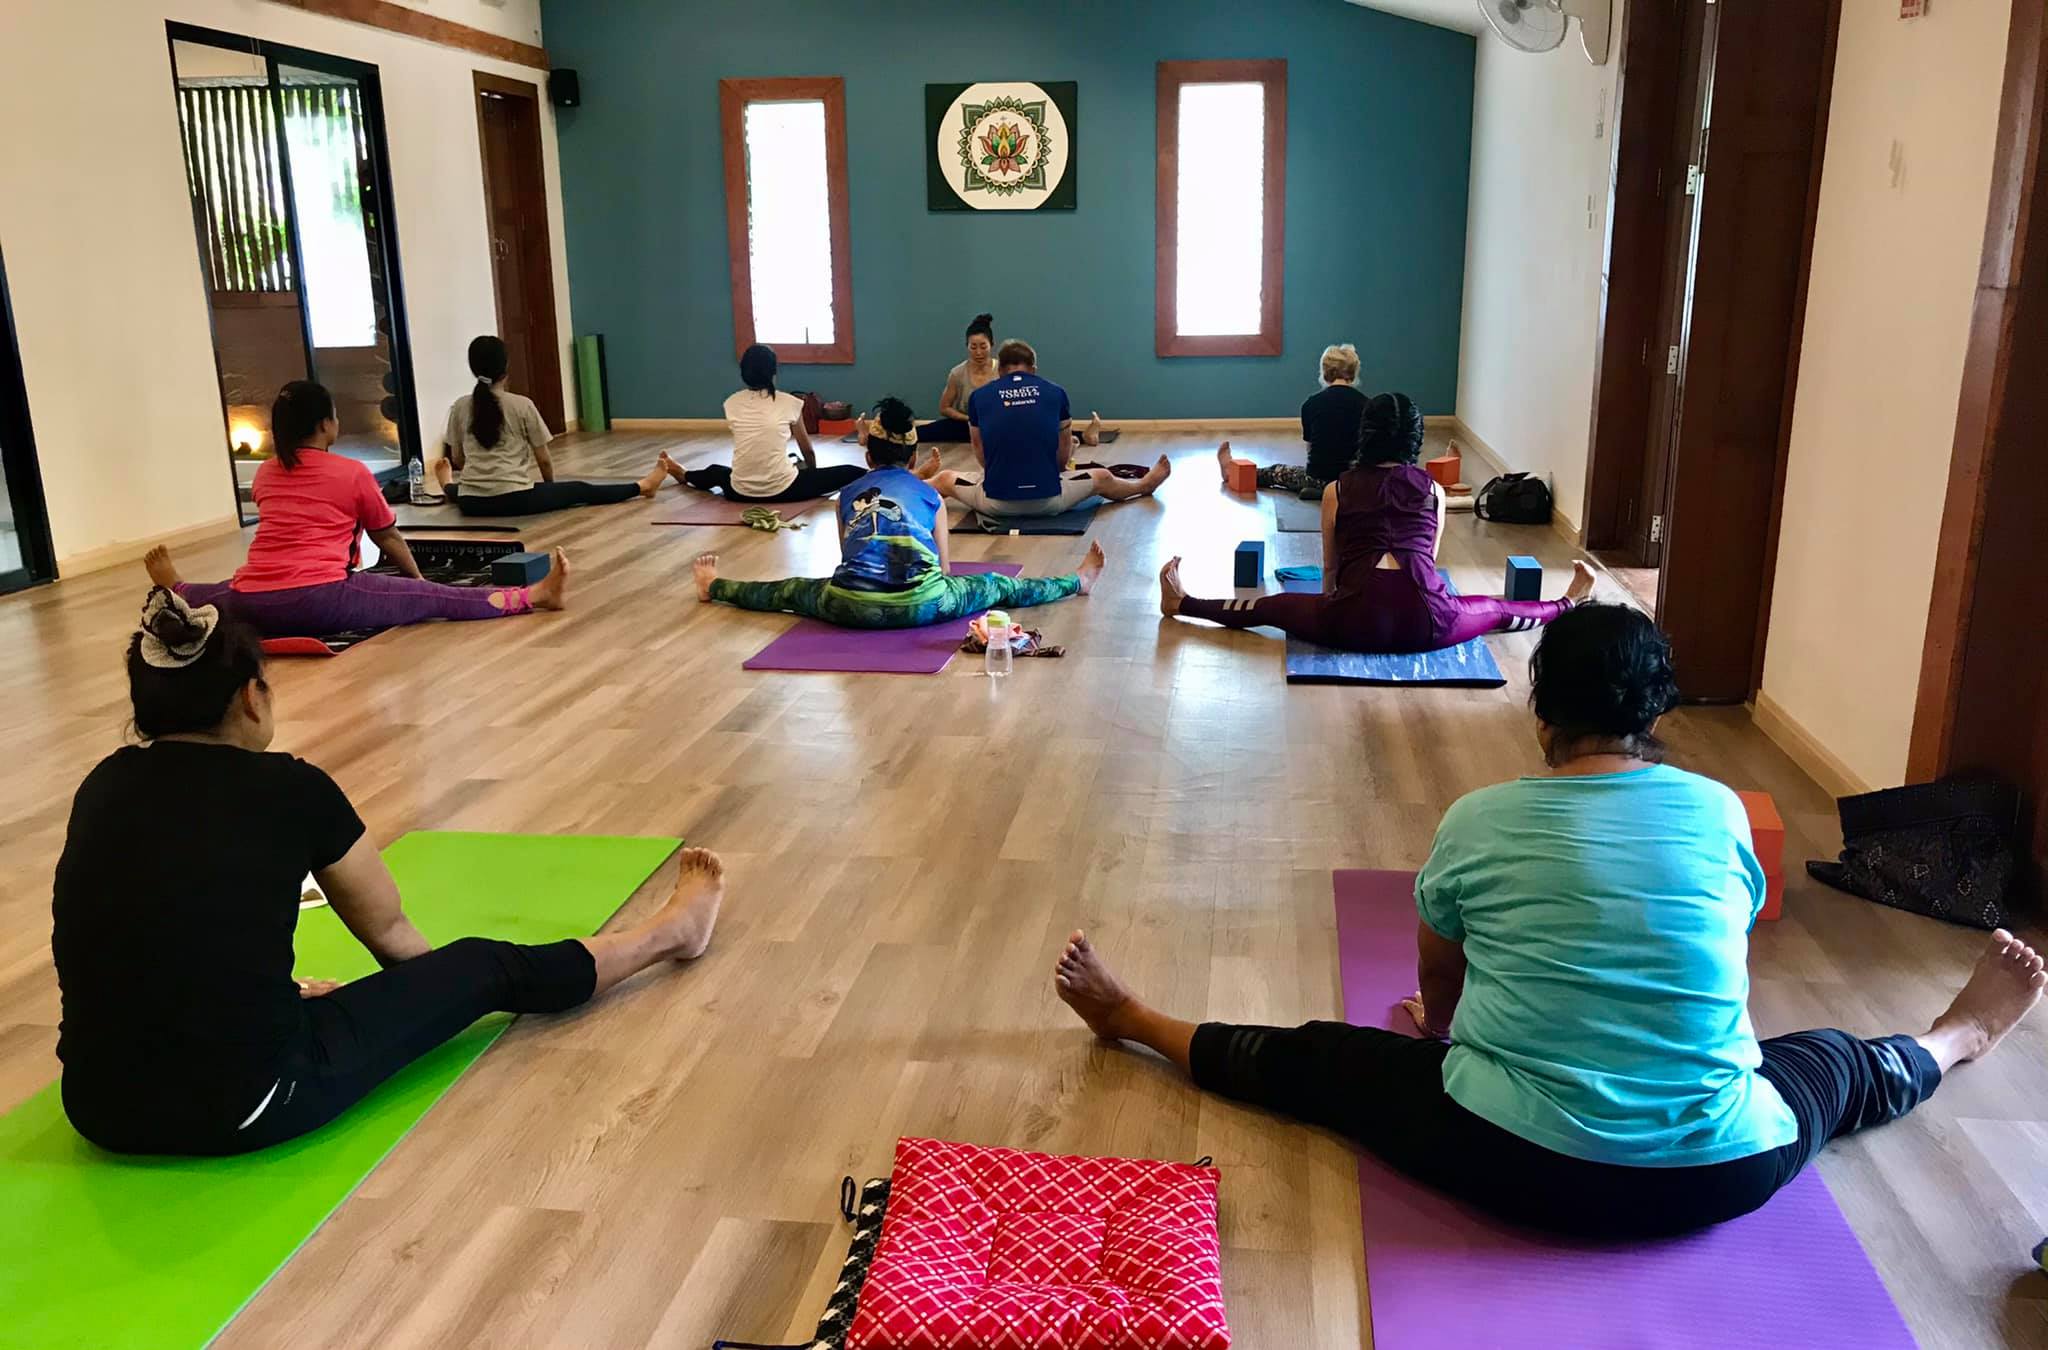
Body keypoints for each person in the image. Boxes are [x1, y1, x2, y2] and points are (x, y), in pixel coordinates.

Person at [1053, 603, 2045, 1240]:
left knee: (1324, 1061)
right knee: (1830, 1061)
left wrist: (1442, 1035)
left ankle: (1133, 1019)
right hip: (1720, 1173)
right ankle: (1956, 1036)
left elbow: (1439, 978)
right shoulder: (1716, 809)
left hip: (1515, 1160)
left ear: (1542, 716)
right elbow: (1718, 942)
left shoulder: (1479, 819)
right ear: (1654, 717)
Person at [51, 588, 728, 1156]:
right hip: (250, 1106)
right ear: (252, 698)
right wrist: (439, 994)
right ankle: (671, 934)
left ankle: (275, 1011)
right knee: (485, 964)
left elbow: (144, 923)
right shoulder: (291, 788)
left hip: (98, 1109)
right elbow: (391, 934)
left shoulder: (102, 785)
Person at [1163, 391, 1593, 653]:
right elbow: (1427, 563)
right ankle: (1569, 603)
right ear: (1416, 439)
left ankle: (1181, 603)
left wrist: (1327, 612)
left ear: (1364, 434)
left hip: (1350, 621)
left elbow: (1330, 570)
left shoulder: (1338, 489)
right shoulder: (1434, 491)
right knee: (1496, 609)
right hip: (1428, 623)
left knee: (1269, 607)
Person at [146, 381, 571, 638]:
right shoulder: (351, 472)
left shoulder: (265, 473)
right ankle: (535, 595)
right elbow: (387, 537)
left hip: (253, 601)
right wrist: (420, 583)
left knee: (218, 593)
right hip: (321, 599)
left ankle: (179, 591)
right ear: (325, 425)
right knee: (439, 599)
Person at [695, 397, 1104, 628]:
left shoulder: (846, 495)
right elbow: (944, 571)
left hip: (851, 606)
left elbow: (851, 556)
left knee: (785, 591)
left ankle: (714, 586)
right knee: (999, 586)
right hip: (925, 605)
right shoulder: (931, 496)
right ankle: (1077, 581)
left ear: (868, 457)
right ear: (913, 459)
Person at [931, 340, 1167, 519]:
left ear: (999, 370)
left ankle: (910, 489)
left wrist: (997, 473)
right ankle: (1143, 485)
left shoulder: (979, 397)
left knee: (944, 479)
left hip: (996, 502)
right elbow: (1063, 453)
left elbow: (979, 450)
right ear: (1033, 369)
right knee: (1102, 477)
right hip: (1049, 501)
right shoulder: (1055, 392)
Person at [439, 335, 667, 517]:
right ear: (505, 367)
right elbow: (544, 461)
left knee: (463, 490)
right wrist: (549, 489)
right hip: (514, 499)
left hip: (471, 502)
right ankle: (644, 486)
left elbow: (458, 458)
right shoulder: (522, 405)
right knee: (579, 489)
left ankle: (447, 485)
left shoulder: (460, 406)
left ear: (473, 368)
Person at [668, 344, 867, 503]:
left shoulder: (731, 403)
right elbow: (807, 451)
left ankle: (685, 475)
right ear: (773, 372)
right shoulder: (790, 403)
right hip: (785, 489)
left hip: (738, 492)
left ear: (744, 373)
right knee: (851, 471)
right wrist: (812, 475)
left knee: (716, 472)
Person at [1226, 343, 1368, 500]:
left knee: (1276, 472)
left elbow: (1311, 448)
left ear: (1325, 372)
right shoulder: (1367, 405)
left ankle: (1232, 473)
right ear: (1354, 372)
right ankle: (1337, 491)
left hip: (1317, 479)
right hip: (1353, 482)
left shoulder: (1312, 403)